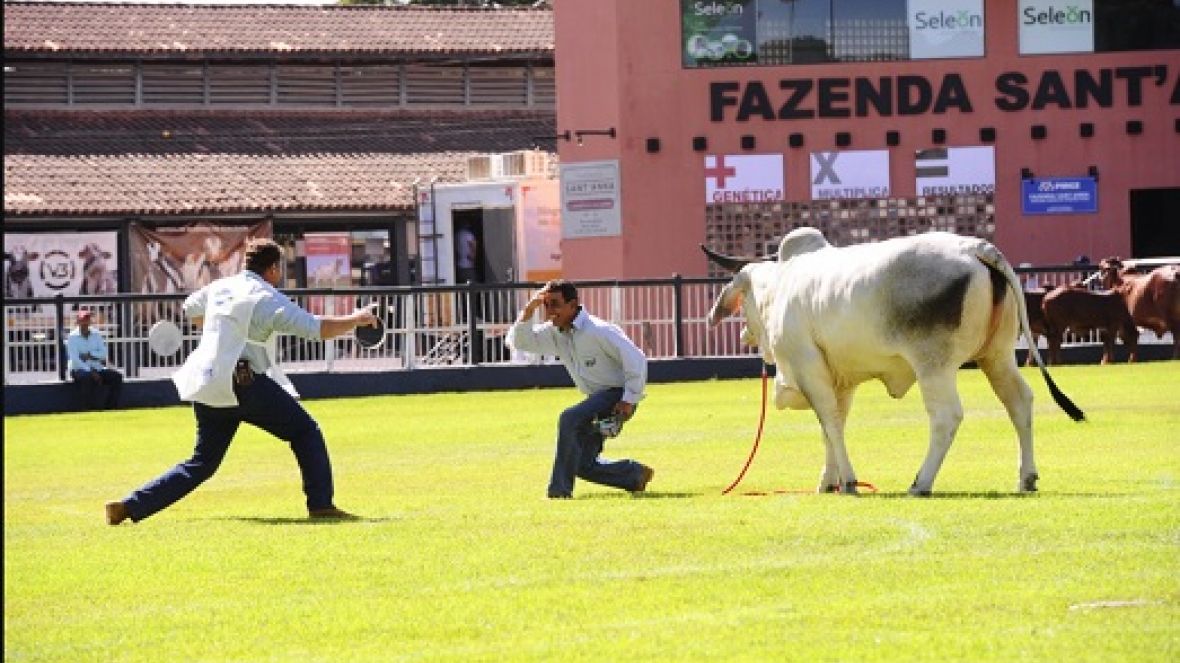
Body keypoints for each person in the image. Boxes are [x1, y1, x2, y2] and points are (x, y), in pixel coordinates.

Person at [105, 239, 378, 525]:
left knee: (201, 463)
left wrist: (222, 330)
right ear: (273, 268)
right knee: (305, 432)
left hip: (207, 383)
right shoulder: (267, 296)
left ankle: (128, 506)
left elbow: (190, 309)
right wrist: (356, 318)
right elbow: (317, 329)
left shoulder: (221, 287)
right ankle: (321, 505)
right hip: (243, 383)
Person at [507, 279, 654, 499]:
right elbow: (521, 342)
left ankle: (559, 492)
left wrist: (629, 399)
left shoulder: (599, 330)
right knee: (578, 463)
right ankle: (634, 475)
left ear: (573, 304)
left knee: (569, 418)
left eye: (555, 304)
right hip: (596, 399)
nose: (549, 312)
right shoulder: (555, 332)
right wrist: (529, 310)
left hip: (616, 396)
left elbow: (636, 359)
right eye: (546, 305)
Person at [66, 309, 124, 409]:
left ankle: (111, 407)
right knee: (87, 378)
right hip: (78, 369)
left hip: (97, 367)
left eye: (87, 319)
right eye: (83, 320)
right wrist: (91, 371)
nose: (85, 322)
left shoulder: (96, 334)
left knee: (117, 377)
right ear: (78, 322)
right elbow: (75, 359)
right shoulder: (72, 337)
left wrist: (90, 355)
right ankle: (88, 408)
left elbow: (103, 353)